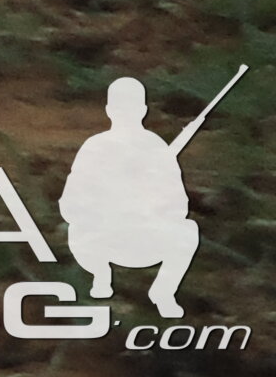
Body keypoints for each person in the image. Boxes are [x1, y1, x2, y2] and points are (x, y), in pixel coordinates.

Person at [61, 78, 203, 320]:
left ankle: (163, 292)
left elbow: (179, 205)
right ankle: (101, 275)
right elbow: (70, 203)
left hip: (146, 238)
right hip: (102, 239)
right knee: (75, 230)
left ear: (143, 111)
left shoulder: (156, 148)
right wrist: (103, 210)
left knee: (187, 230)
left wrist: (148, 207)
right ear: (109, 111)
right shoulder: (95, 147)